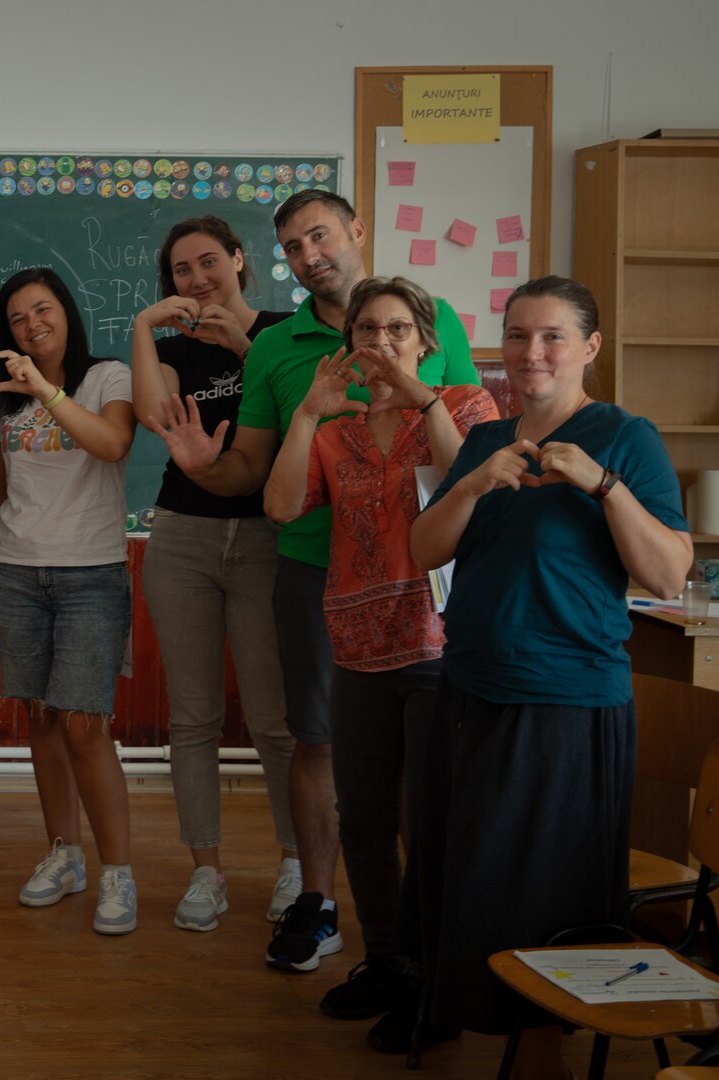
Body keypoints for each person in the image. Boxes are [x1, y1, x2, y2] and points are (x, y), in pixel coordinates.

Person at [148, 189, 479, 976]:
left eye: (318, 237)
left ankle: (419, 931)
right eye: (291, 248)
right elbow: (259, 477)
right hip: (312, 569)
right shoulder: (276, 348)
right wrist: (202, 465)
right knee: (317, 739)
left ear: (356, 232)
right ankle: (320, 903)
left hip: (422, 575)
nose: (306, 256)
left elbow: (468, 446)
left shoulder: (434, 324)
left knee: (418, 758)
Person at [409, 277, 690, 1078]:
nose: (531, 353)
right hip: (468, 689)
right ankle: (470, 1022)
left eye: (552, 337)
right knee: (468, 871)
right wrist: (471, 481)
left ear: (589, 348)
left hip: (565, 699)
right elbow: (423, 552)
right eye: (518, 335)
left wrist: (601, 486)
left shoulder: (623, 437)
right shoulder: (482, 441)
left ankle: (540, 1058)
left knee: (541, 891)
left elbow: (668, 575)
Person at [263, 276, 498, 1052]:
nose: (382, 341)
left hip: (438, 645)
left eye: (398, 329)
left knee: (426, 820)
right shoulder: (339, 429)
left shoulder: (464, 406)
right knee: (361, 818)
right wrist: (305, 412)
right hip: (356, 647)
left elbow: (474, 486)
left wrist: (421, 399)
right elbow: (279, 505)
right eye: (367, 329)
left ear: (425, 341)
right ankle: (389, 962)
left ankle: (440, 982)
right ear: (348, 344)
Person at [130, 215, 301, 935]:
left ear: (239, 260)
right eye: (180, 271)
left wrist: (248, 344)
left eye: (209, 263)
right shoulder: (170, 348)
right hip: (181, 539)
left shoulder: (287, 332)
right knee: (192, 716)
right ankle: (207, 869)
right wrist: (142, 327)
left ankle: (297, 865)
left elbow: (302, 413)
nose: (196, 280)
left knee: (275, 720)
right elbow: (148, 413)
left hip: (268, 535)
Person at [0, 267, 139, 933]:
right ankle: (63, 855)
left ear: (66, 312)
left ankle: (118, 875)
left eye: (41, 310)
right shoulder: (2, 400)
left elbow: (111, 445)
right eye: (16, 318)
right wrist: (18, 398)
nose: (31, 325)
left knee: (83, 723)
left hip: (89, 573)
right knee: (42, 718)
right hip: (15, 571)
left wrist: (44, 389)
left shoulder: (108, 378)